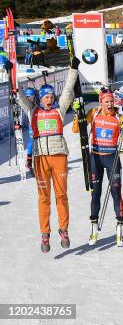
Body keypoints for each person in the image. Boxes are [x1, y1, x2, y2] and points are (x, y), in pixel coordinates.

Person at [17, 59, 79, 252]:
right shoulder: (32, 110)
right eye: (46, 97)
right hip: (40, 157)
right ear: (40, 98)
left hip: (59, 155)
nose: (49, 99)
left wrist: (74, 70)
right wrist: (11, 75)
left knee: (61, 195)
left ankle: (64, 229)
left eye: (51, 96)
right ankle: (45, 234)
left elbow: (68, 90)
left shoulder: (59, 110)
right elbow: (19, 95)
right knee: (43, 196)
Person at [73, 89, 123, 246]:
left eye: (111, 101)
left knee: (115, 192)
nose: (110, 104)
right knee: (96, 194)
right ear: (101, 102)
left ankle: (120, 226)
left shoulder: (119, 117)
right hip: (96, 158)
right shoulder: (94, 113)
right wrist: (77, 114)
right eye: (106, 101)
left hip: (112, 158)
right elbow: (76, 129)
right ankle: (94, 227)